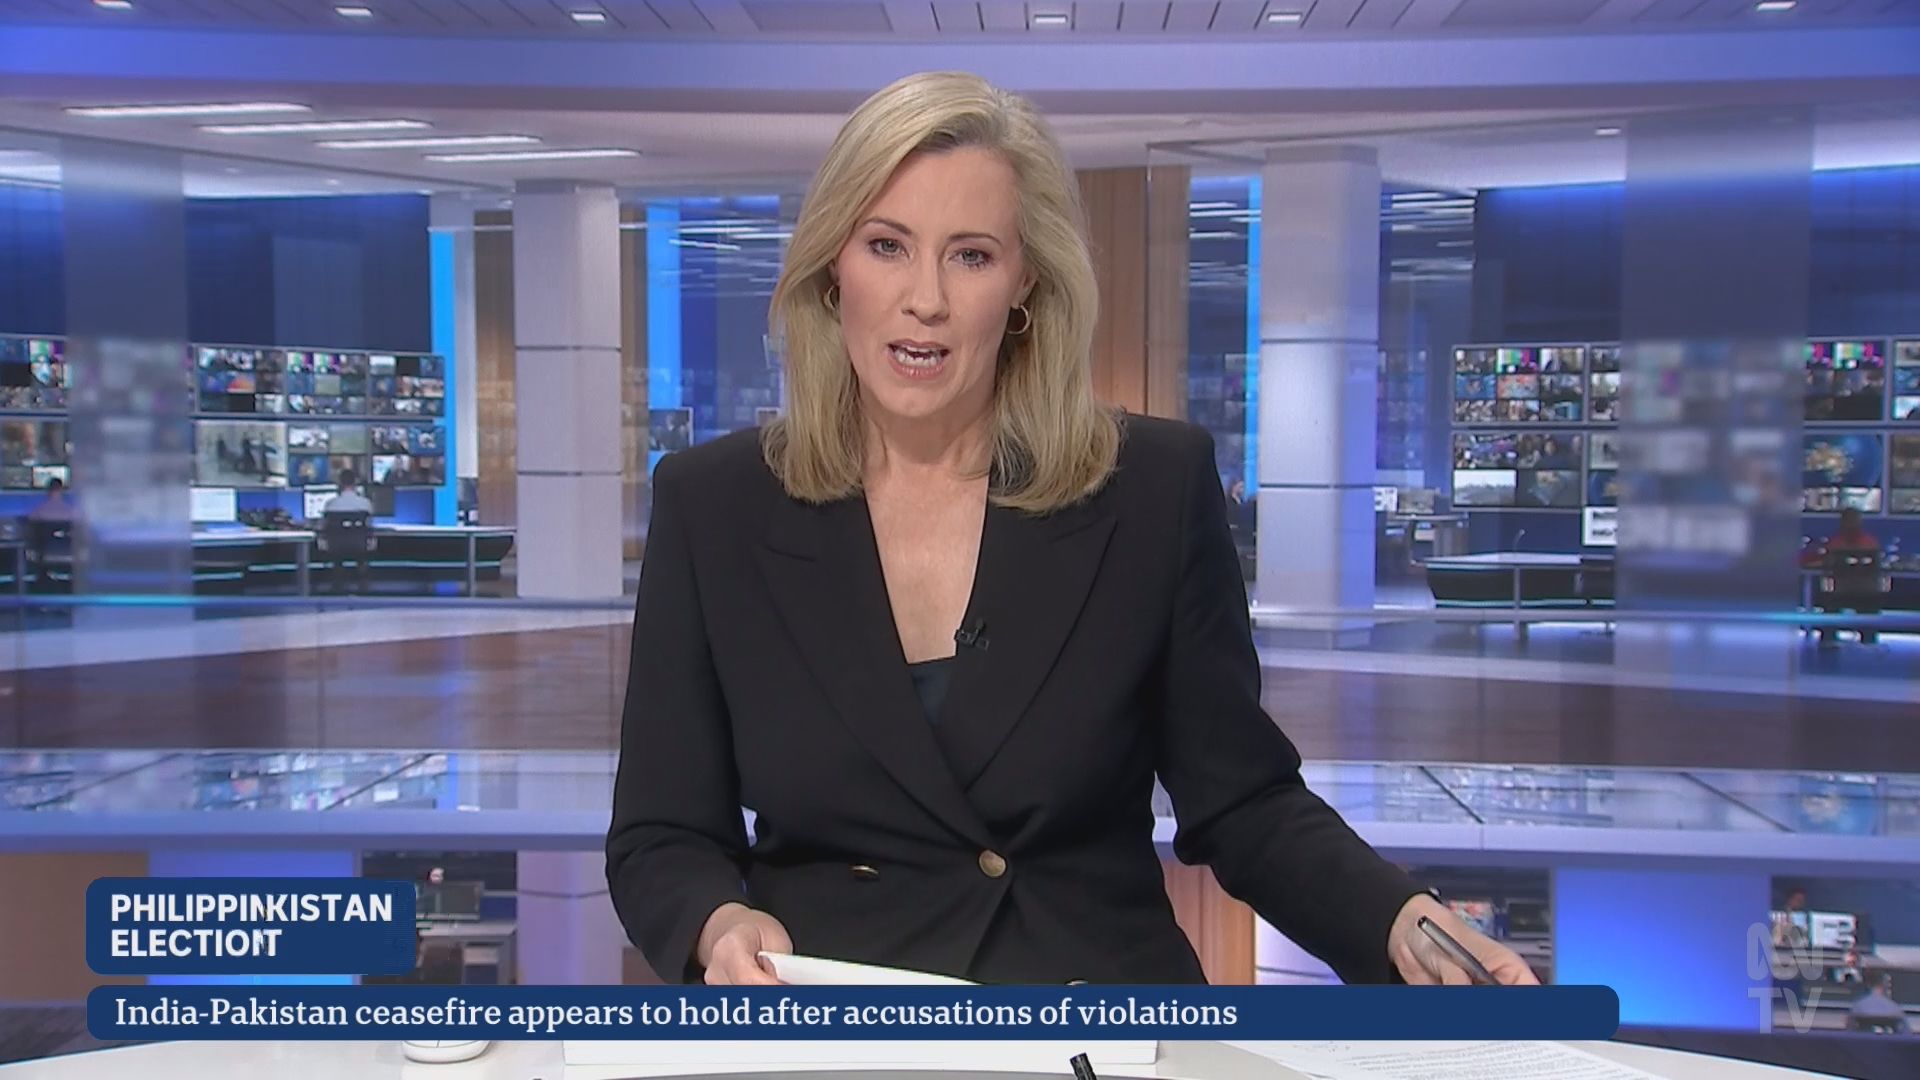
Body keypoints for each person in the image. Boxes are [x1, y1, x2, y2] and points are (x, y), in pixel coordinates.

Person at [606, 71, 1536, 989]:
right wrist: (718, 923)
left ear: (1024, 283)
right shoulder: (715, 506)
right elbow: (662, 833)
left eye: (971, 256)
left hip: (1095, 1016)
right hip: (838, 1019)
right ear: (831, 268)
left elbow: (1244, 800)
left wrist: (1398, 919)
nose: (925, 298)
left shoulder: (1150, 490)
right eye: (887, 245)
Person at [1816, 508, 1884, 646]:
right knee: (1829, 606)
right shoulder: (1835, 543)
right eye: (1848, 521)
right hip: (1842, 592)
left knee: (1868, 607)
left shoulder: (1869, 543)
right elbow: (1826, 564)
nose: (1850, 524)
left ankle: (1868, 641)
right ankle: (1828, 641)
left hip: (1863, 593)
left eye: (1853, 521)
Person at [321, 469, 376, 594]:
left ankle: (337, 585)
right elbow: (370, 526)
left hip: (336, 547)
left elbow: (324, 528)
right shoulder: (365, 503)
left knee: (337, 555)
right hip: (359, 546)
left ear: (339, 484)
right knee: (362, 555)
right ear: (355, 483)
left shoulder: (330, 504)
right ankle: (363, 586)